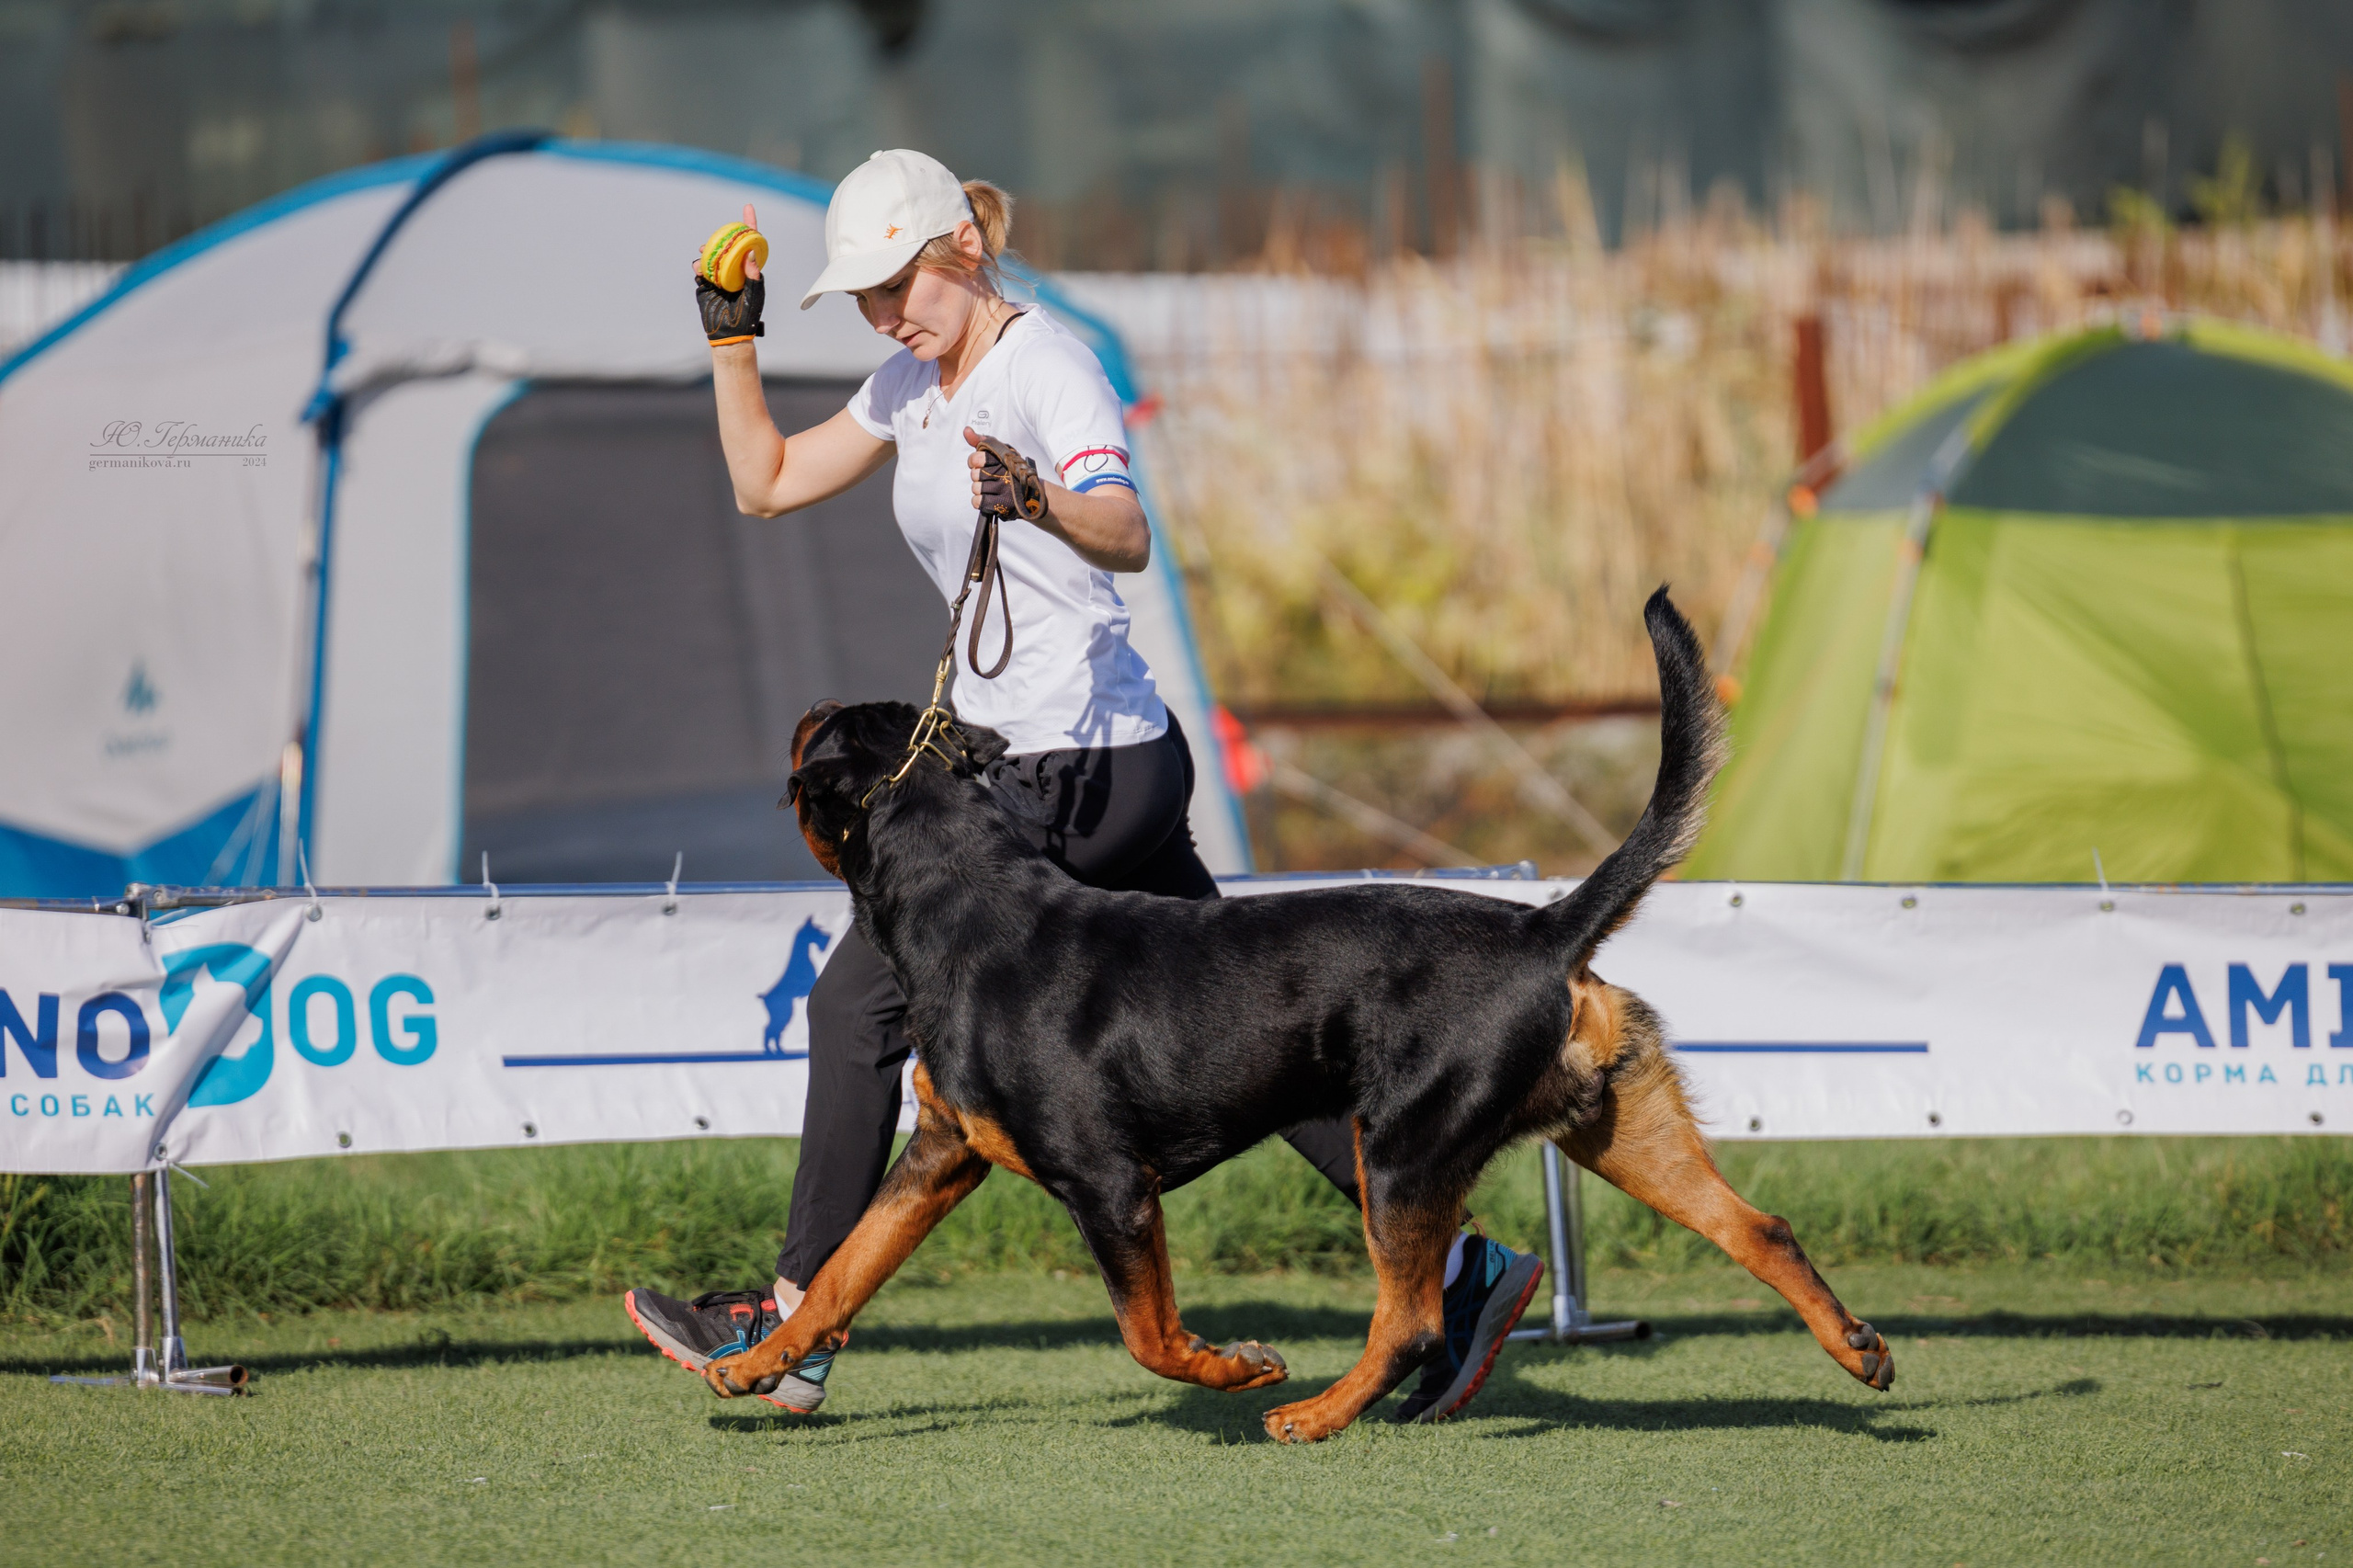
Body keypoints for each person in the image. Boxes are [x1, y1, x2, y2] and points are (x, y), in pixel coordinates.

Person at [624, 149, 1535, 1426]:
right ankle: (1469, 1273)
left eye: (896, 287)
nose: (883, 315)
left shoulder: (1047, 366)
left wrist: (1039, 498)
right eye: (865, 297)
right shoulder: (910, 382)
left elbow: (1127, 531)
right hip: (1050, 760)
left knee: (855, 1007)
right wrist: (734, 341)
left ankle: (794, 1323)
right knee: (1260, 1034)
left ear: (962, 250)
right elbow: (764, 485)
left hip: (1082, 767)